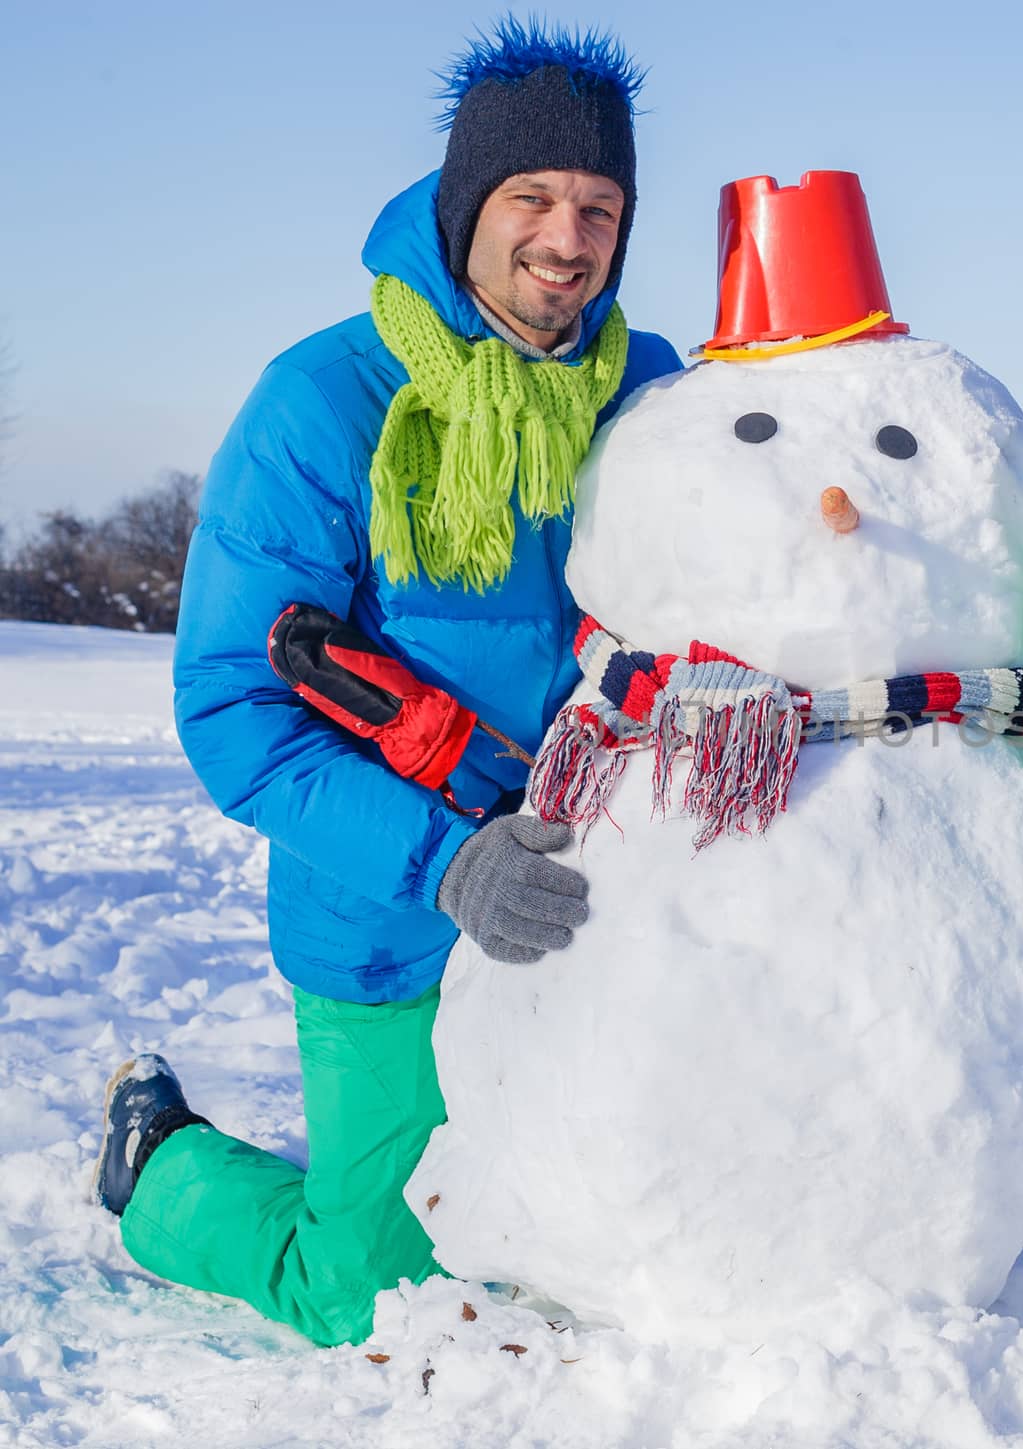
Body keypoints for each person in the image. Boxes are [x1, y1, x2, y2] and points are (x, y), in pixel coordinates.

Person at [89, 19, 679, 1348]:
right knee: (381, 1296)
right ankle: (161, 1169)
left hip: (602, 908)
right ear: (469, 207)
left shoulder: (646, 390)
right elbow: (235, 707)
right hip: (393, 918)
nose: (566, 236)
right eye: (532, 197)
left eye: (599, 205)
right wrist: (447, 861)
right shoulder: (323, 402)